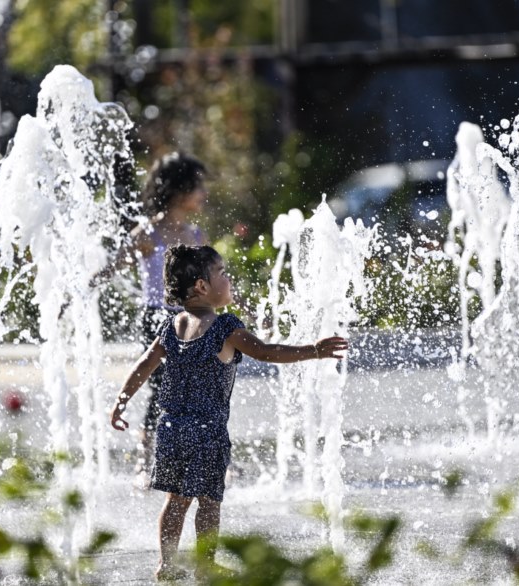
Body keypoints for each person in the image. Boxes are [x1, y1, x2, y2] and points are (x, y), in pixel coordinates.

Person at [109, 245, 349, 581]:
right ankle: (206, 565)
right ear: (201, 286)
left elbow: (144, 365)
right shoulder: (224, 328)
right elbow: (266, 352)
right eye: (222, 272)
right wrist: (313, 350)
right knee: (208, 502)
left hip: (171, 427)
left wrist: (120, 402)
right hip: (207, 431)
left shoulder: (171, 325)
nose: (229, 277)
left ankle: (167, 563)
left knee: (175, 501)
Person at [94, 152, 208, 485]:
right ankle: (146, 462)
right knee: (161, 390)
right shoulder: (149, 233)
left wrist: (245, 305)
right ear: (178, 190)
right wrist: (76, 291)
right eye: (197, 187)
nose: (203, 194)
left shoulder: (196, 236)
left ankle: (188, 457)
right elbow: (113, 267)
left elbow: (215, 279)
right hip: (158, 321)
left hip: (193, 321)